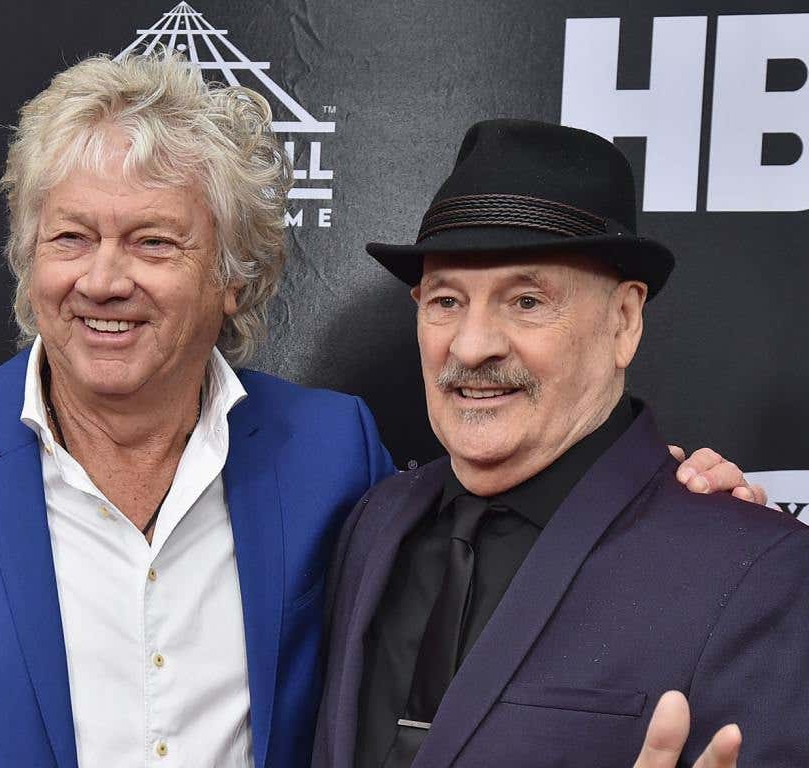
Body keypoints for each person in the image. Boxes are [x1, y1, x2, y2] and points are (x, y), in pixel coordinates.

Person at [0, 57, 759, 768]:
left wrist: (658, 504)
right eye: (70, 237)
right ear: (28, 258)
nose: (103, 278)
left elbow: (512, 569)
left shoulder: (331, 450)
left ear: (232, 275)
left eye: (155, 242)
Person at [312, 119, 809, 768]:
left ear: (624, 322)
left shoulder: (757, 571)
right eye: (446, 301)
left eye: (525, 300)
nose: (470, 345)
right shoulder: (372, 526)